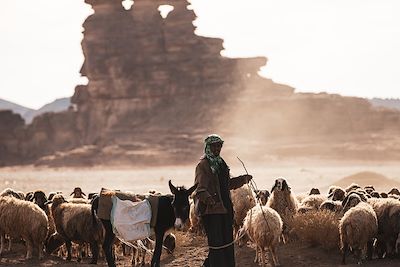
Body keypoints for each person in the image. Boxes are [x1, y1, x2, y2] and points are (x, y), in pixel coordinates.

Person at [193, 134, 252, 267]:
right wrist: (210, 200)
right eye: (214, 146)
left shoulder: (221, 164)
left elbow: (226, 184)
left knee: (226, 243)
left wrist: (243, 179)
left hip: (225, 209)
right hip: (211, 212)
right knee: (216, 245)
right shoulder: (203, 166)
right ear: (208, 147)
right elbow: (200, 189)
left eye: (219, 145)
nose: (217, 149)